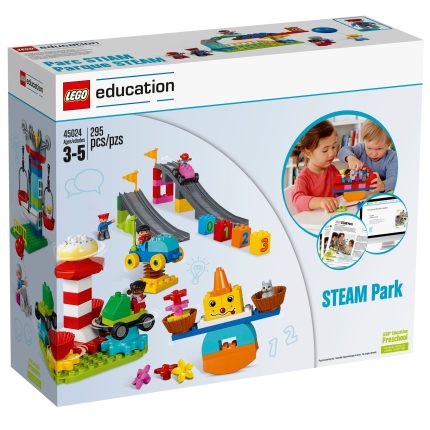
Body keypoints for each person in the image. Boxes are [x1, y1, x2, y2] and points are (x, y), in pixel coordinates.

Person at [291, 120, 339, 213]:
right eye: (325, 150)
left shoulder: (332, 170)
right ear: (308, 153)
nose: (332, 153)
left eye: (333, 147)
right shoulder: (303, 178)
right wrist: (321, 202)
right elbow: (297, 200)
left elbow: (342, 191)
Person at [338, 120, 398, 192]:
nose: (374, 153)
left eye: (379, 148)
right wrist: (350, 157)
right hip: (359, 191)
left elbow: (394, 178)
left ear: (388, 144)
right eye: (369, 148)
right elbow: (342, 151)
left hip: (378, 192)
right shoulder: (361, 149)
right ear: (364, 141)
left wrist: (383, 185)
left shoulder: (392, 157)